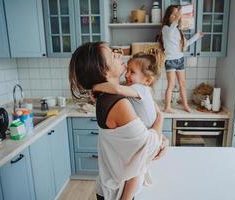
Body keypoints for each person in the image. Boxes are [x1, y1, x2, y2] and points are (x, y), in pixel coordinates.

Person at [69, 42, 168, 200]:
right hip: (118, 193)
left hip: (111, 184)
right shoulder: (117, 103)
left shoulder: (109, 96)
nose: (119, 54)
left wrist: (161, 138)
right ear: (103, 69)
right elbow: (148, 147)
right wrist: (161, 120)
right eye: (112, 55)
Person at [159, 5, 204, 113]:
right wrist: (178, 16)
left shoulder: (179, 30)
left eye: (177, 14)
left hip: (180, 59)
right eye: (173, 14)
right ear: (168, 16)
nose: (175, 16)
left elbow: (186, 43)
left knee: (183, 83)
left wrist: (197, 36)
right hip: (170, 60)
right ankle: (167, 107)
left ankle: (185, 105)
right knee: (171, 84)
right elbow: (170, 33)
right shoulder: (166, 29)